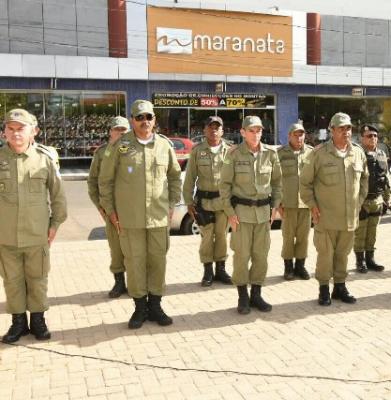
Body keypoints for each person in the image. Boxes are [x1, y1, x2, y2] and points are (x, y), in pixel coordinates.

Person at [99, 100, 182, 329]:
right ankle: (139, 308)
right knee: (135, 264)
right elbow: (105, 181)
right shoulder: (120, 146)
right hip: (130, 219)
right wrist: (111, 211)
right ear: (132, 120)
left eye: (148, 117)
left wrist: (172, 203)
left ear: (154, 119)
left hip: (157, 217)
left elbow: (175, 176)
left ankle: (155, 306)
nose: (144, 122)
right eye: (139, 118)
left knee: (157, 262)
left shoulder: (164, 146)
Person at [0, 109, 67, 343]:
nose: (16, 133)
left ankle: (38, 321)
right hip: (6, 236)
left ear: (33, 132)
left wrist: (55, 224)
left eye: (21, 128)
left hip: (37, 234)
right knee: (12, 281)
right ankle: (19, 323)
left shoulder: (44, 159)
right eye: (11, 128)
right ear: (4, 132)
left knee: (38, 279)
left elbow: (58, 196)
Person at [299, 112, 368, 306]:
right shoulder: (319, 154)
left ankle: (340, 286)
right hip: (326, 217)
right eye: (341, 128)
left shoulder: (358, 152)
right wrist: (312, 206)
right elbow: (305, 184)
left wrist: (358, 201)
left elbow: (364, 181)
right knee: (325, 255)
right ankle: (323, 288)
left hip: (349, 217)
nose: (346, 132)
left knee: (343, 255)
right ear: (332, 131)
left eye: (348, 128)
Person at [220, 115, 282, 314]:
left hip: (263, 214)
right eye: (251, 131)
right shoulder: (234, 154)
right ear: (242, 132)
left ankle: (256, 294)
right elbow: (225, 186)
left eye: (258, 131)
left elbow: (277, 183)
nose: (255, 135)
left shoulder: (270, 154)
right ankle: (242, 297)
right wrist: (229, 212)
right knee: (241, 256)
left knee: (260, 256)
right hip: (241, 215)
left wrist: (274, 207)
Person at [183, 116, 233, 287]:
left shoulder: (230, 151)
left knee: (222, 236)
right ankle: (208, 271)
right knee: (206, 237)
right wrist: (189, 201)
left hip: (223, 202)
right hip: (204, 202)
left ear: (222, 131)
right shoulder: (197, 151)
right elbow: (189, 178)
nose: (213, 130)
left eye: (217, 127)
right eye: (210, 127)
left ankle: (221, 269)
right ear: (204, 130)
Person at [87, 116, 130, 298]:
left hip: (132, 208)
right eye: (116, 130)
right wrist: (101, 207)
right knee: (116, 248)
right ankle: (119, 283)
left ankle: (137, 284)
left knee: (136, 249)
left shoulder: (135, 151)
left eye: (123, 130)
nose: (120, 133)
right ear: (110, 132)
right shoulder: (101, 153)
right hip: (112, 209)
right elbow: (93, 183)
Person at [277, 123, 313, 280]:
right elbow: (275, 180)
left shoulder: (312, 153)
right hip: (288, 204)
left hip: (306, 204)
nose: (299, 137)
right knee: (288, 237)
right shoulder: (280, 153)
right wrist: (277, 204)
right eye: (296, 134)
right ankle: (288, 268)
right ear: (289, 136)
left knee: (303, 237)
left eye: (301, 134)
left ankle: (300, 266)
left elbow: (316, 179)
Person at [353, 124, 390, 273]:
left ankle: (370, 259)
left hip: (377, 200)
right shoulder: (356, 154)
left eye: (375, 136)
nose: (373, 138)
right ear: (362, 137)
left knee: (372, 232)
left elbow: (385, 178)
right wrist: (356, 202)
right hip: (362, 201)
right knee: (360, 233)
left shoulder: (381, 154)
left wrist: (387, 199)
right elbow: (353, 180)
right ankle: (360, 262)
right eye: (369, 136)